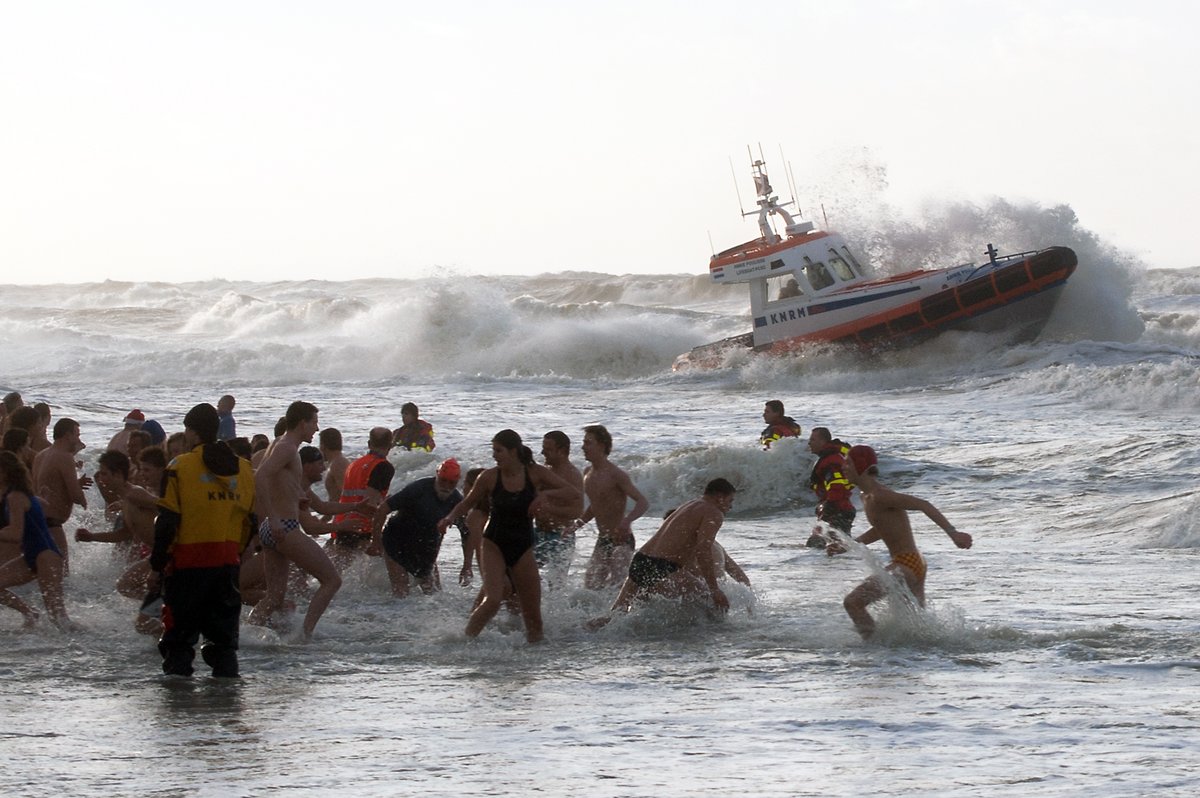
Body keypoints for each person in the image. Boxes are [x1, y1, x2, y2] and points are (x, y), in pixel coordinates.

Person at [436, 429, 580, 643]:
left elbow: (573, 493)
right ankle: (463, 642)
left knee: (534, 617)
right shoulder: (490, 476)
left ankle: (534, 665)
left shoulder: (535, 473)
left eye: (498, 451)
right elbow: (467, 503)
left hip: (522, 547)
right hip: (494, 543)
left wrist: (544, 495)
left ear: (513, 451)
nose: (494, 455)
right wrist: (448, 517)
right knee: (493, 599)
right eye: (493, 450)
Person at [148, 403, 256, 676]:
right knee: (223, 646)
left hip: (187, 568)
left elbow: (167, 521)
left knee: (179, 645)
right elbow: (249, 522)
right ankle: (227, 705)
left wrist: (157, 564)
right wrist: (238, 557)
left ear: (192, 433)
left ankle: (180, 711)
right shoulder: (244, 470)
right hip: (227, 566)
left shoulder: (179, 467)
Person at [835, 445, 973, 639]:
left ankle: (873, 647)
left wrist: (954, 534)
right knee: (918, 632)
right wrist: (850, 545)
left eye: (848, 462)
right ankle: (909, 659)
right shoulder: (865, 497)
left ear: (862, 466)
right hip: (913, 563)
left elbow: (923, 505)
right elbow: (881, 529)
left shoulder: (880, 495)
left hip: (906, 564)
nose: (843, 466)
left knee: (853, 603)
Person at [588, 478, 738, 629]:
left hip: (640, 560)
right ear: (720, 497)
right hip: (662, 567)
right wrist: (714, 589)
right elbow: (703, 550)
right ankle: (716, 641)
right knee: (714, 604)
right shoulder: (714, 513)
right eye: (730, 500)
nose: (731, 506)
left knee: (615, 616)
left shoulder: (689, 505)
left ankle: (581, 629)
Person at [247, 402, 342, 639]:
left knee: (274, 597)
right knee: (332, 580)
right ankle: (305, 636)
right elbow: (260, 477)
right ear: (303, 423)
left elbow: (274, 481)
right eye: (314, 422)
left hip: (272, 529)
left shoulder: (280, 445)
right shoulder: (288, 447)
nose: (317, 429)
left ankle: (246, 634)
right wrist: (275, 518)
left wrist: (292, 497)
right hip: (283, 528)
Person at [368, 458, 464, 597]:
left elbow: (467, 533)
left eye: (451, 483)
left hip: (425, 548)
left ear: (457, 483)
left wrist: (467, 565)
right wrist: (376, 541)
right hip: (396, 542)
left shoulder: (457, 501)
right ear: (436, 476)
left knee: (434, 594)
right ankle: (392, 616)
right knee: (401, 591)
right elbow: (383, 509)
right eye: (443, 480)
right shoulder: (418, 489)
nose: (446, 486)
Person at [0, 450, 72, 629]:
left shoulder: (15, 496)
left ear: (5, 472)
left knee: (59, 620)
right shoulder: (17, 494)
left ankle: (91, 641)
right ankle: (30, 613)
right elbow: (42, 504)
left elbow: (16, 534)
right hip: (33, 555)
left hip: (47, 555)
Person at [577, 425, 650, 590]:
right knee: (590, 587)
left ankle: (620, 615)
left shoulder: (616, 474)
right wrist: (576, 525)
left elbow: (643, 502)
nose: (583, 447)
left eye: (588, 443)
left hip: (622, 540)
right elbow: (595, 507)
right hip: (602, 540)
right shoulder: (587, 472)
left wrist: (627, 521)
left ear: (602, 446)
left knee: (617, 586)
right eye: (584, 442)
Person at [32, 417, 92, 571]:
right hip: (51, 525)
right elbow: (75, 496)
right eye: (77, 435)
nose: (78, 439)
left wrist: (76, 484)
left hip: (35, 522)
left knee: (38, 574)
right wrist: (83, 500)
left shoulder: (41, 455)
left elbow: (42, 488)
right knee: (62, 575)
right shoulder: (65, 457)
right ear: (67, 435)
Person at [331, 427, 395, 568]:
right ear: (391, 445)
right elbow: (370, 502)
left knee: (340, 571)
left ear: (369, 444)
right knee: (391, 562)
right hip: (362, 527)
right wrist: (377, 540)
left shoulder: (354, 464)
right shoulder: (384, 467)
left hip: (343, 522)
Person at [534, 430, 585, 590]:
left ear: (562, 451)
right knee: (522, 576)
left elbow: (577, 511)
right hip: (538, 533)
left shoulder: (572, 475)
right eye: (543, 448)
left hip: (561, 537)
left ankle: (554, 615)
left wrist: (548, 508)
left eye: (547, 449)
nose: (542, 452)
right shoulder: (544, 470)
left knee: (556, 586)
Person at [806, 426, 855, 548]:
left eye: (812, 439)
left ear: (823, 442)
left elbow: (836, 485)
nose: (809, 442)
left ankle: (841, 566)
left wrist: (828, 509)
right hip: (837, 509)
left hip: (837, 510)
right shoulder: (829, 458)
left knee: (826, 547)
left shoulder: (831, 461)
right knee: (832, 547)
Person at [457, 467, 486, 585]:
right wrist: (467, 564)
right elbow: (472, 538)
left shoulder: (476, 516)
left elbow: (482, 553)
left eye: (465, 484)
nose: (463, 488)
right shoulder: (488, 508)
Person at [318, 427, 349, 502]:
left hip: (341, 512)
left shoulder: (338, 464)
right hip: (336, 511)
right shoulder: (336, 463)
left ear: (323, 446)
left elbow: (346, 494)